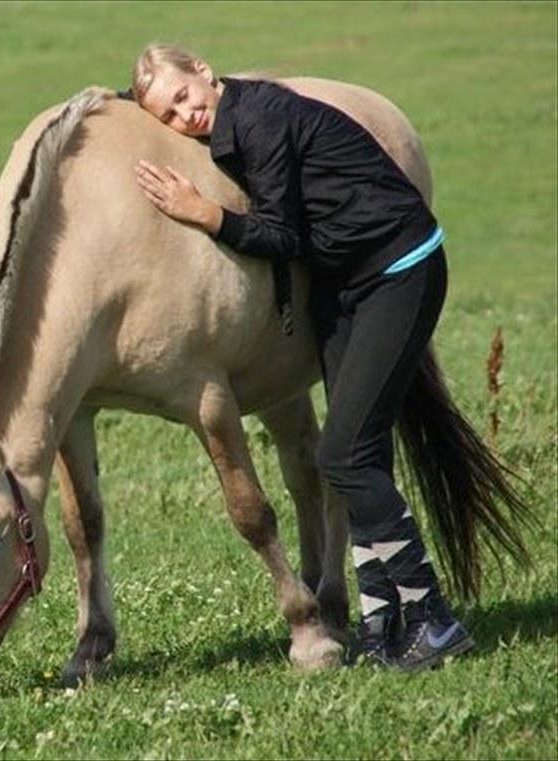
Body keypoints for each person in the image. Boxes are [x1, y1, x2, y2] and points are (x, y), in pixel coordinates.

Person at [130, 43, 475, 671]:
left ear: (204, 71)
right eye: (170, 116)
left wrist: (204, 213)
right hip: (348, 286)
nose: (186, 117)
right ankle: (382, 624)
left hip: (398, 269)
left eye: (185, 96)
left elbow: (283, 236)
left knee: (341, 453)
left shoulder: (258, 120)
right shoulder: (232, 125)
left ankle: (433, 618)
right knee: (356, 456)